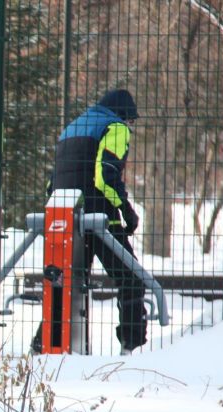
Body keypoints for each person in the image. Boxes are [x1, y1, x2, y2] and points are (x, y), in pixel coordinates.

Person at [35, 89, 147, 355]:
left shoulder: (71, 129)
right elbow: (105, 176)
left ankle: (42, 347)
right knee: (131, 279)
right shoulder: (116, 127)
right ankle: (132, 349)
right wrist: (126, 210)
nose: (130, 126)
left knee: (66, 283)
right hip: (99, 216)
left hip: (65, 215)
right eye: (131, 120)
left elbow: (53, 183)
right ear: (123, 116)